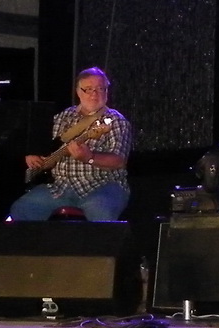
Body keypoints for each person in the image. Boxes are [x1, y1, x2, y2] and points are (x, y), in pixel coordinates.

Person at [9, 68, 131, 222]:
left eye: (100, 89)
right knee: (21, 209)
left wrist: (90, 157)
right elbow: (43, 144)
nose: (94, 94)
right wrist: (33, 154)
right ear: (78, 92)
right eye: (88, 89)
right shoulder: (63, 117)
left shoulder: (116, 121)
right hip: (60, 187)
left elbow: (119, 161)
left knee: (99, 212)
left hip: (102, 186)